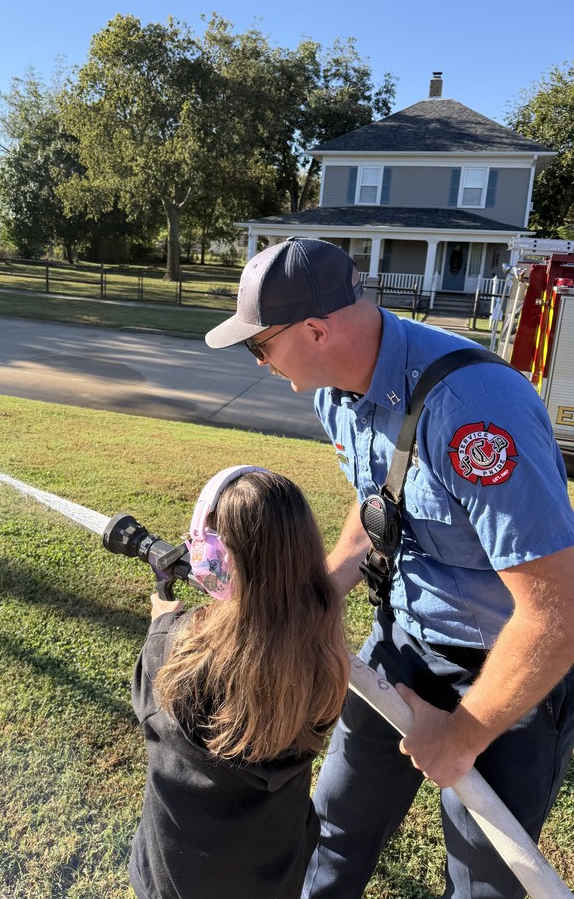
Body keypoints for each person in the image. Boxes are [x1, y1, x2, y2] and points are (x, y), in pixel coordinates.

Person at [204, 237, 574, 899]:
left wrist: (461, 735)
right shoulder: (333, 391)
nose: (260, 363)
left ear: (316, 330)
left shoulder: (474, 410)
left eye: (260, 346)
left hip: (503, 674)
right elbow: (381, 500)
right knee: (333, 830)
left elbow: (557, 612)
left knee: (484, 877)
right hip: (400, 647)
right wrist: (308, 598)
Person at [129, 465, 349, 899]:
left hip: (178, 874)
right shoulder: (326, 658)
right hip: (274, 871)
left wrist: (161, 626)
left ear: (214, 556)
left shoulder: (179, 649)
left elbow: (147, 703)